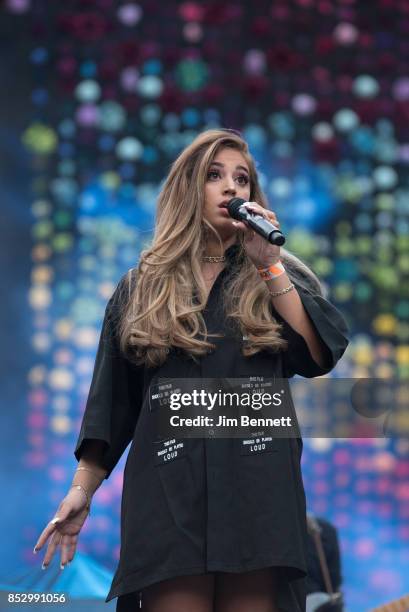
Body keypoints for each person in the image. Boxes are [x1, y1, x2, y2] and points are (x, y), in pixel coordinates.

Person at [33, 129, 349, 612]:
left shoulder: (276, 277)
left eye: (242, 179)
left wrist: (271, 268)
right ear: (188, 189)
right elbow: (112, 405)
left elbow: (318, 354)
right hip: (168, 494)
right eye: (215, 176)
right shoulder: (143, 287)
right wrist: (81, 490)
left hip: (258, 493)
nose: (232, 189)